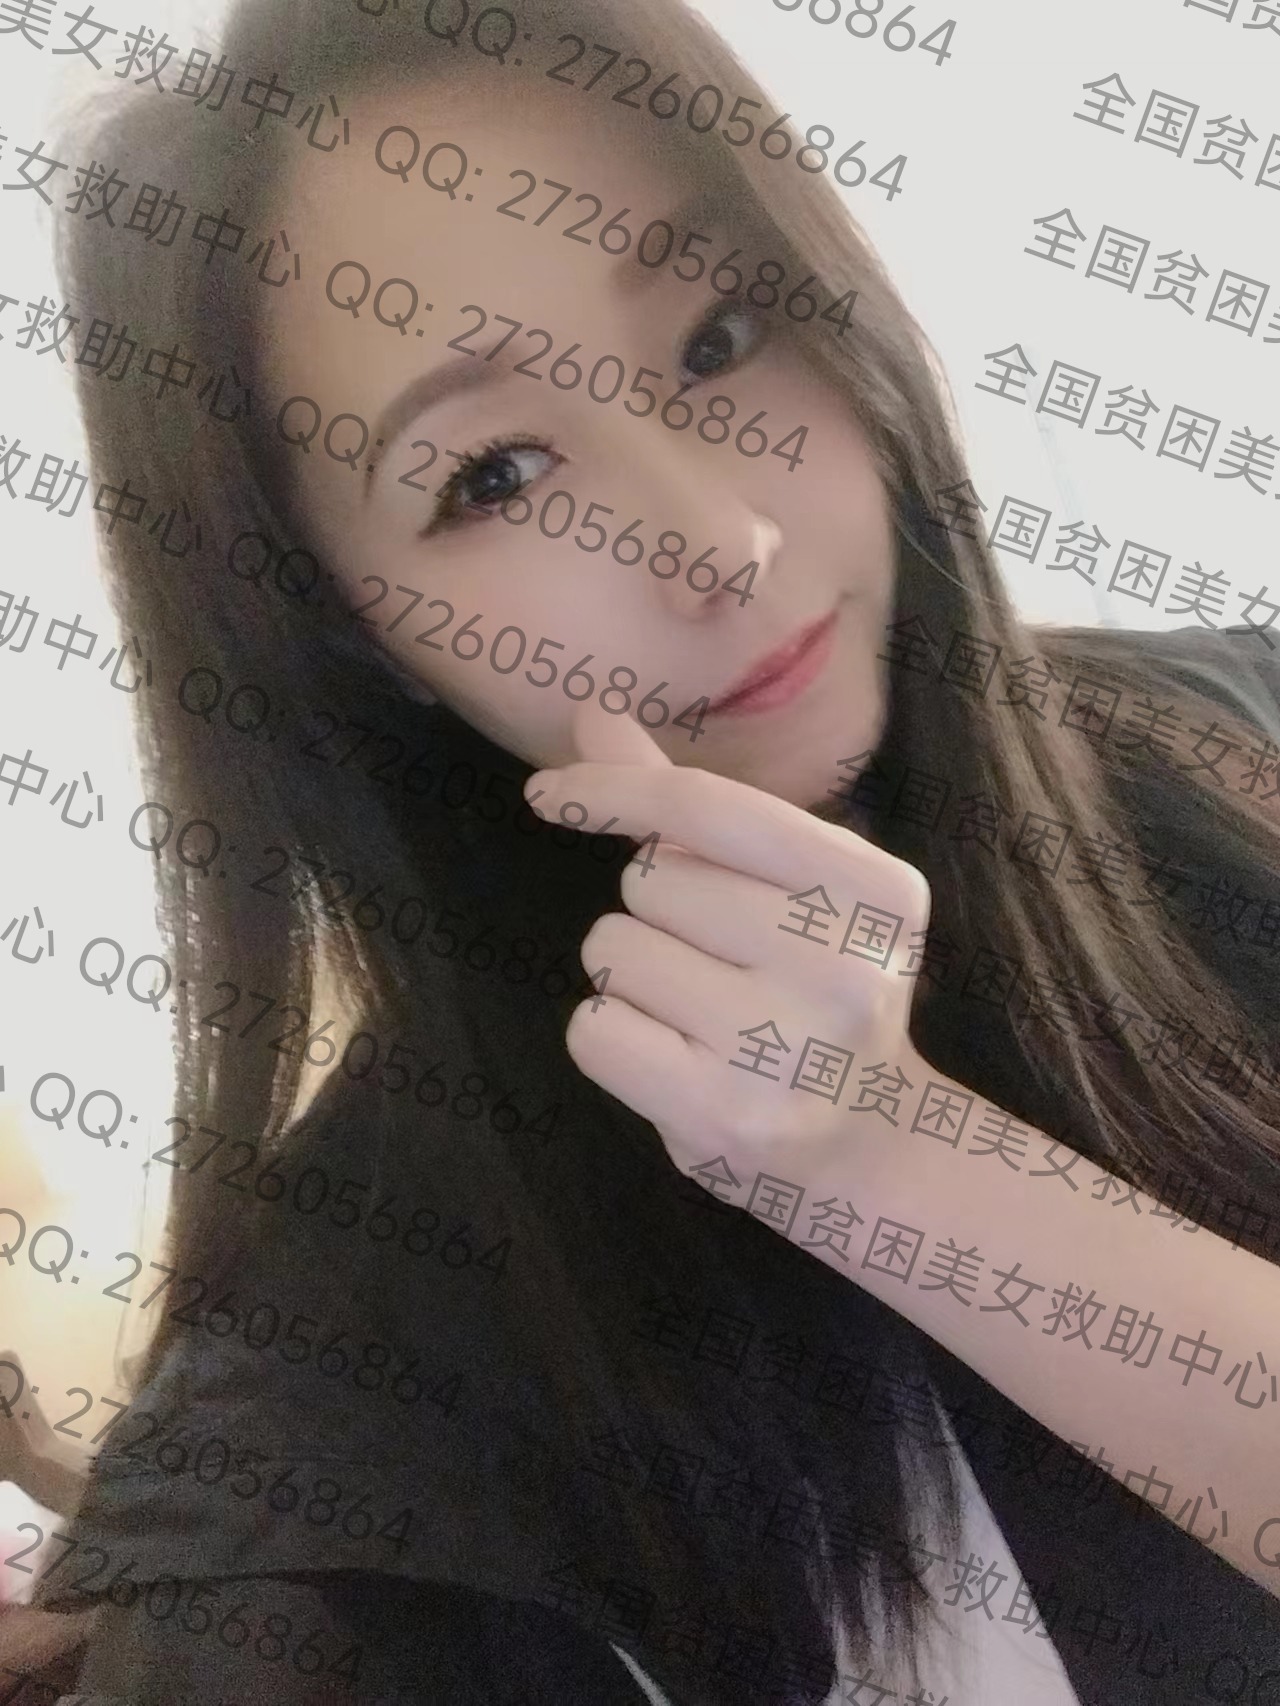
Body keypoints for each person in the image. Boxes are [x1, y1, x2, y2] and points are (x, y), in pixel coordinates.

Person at [30, 0, 1280, 1700]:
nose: (722, 534)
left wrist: (896, 1150)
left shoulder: (1223, 719)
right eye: (496, 472)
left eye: (719, 334)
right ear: (343, 636)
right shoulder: (358, 1451)